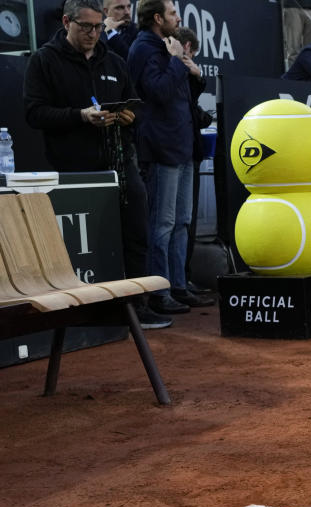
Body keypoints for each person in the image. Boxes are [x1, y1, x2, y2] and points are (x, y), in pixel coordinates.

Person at [24, 0, 171, 330]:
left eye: (98, 27)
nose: (93, 34)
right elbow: (34, 112)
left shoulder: (115, 61)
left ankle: (136, 306)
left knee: (136, 232)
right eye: (86, 27)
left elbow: (138, 106)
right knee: (80, 246)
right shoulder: (44, 60)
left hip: (119, 162)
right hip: (73, 170)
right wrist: (80, 116)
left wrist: (129, 117)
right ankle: (80, 312)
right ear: (66, 21)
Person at [128, 0, 208, 314]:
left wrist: (195, 74)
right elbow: (157, 92)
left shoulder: (169, 46)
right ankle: (158, 292)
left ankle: (178, 284)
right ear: (158, 17)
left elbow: (181, 95)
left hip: (183, 145)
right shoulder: (144, 48)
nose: (179, 17)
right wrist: (177, 62)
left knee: (182, 222)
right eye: (174, 13)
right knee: (162, 223)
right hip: (162, 148)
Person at [175, 26, 215, 301]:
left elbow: (193, 108)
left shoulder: (188, 75)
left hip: (189, 150)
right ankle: (173, 283)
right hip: (172, 151)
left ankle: (182, 279)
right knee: (173, 223)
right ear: (187, 47)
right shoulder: (171, 68)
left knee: (184, 222)